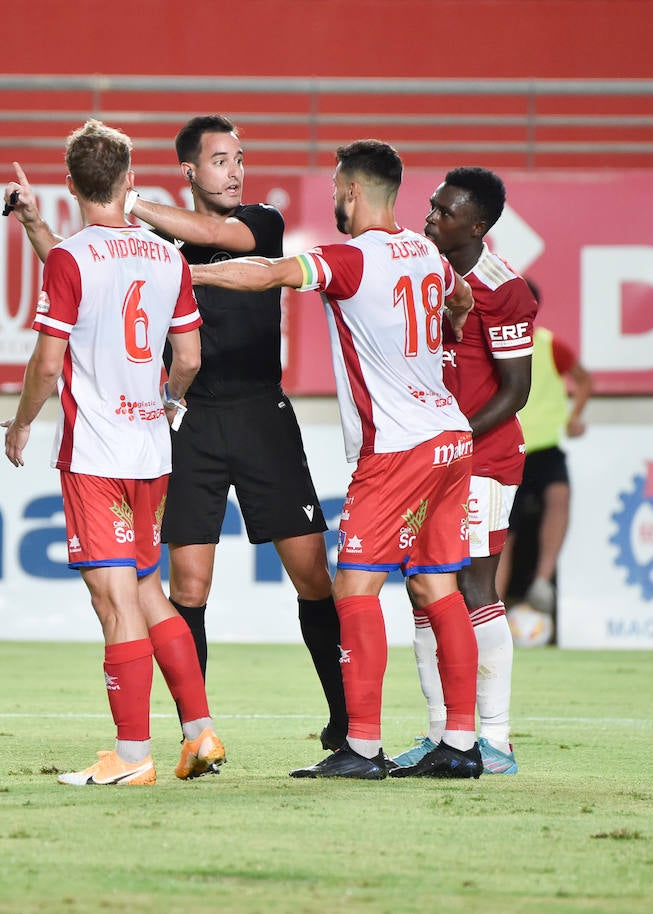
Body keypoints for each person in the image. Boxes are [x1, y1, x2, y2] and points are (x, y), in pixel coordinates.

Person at [3, 114, 346, 750]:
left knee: (311, 577)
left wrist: (125, 200)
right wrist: (36, 226)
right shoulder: (160, 251)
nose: (236, 169)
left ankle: (346, 724)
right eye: (221, 160)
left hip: (261, 414)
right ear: (189, 169)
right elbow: (85, 275)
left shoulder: (260, 222)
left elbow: (210, 234)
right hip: (188, 423)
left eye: (240, 157)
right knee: (186, 587)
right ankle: (196, 729)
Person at [191, 139, 482, 779]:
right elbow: (460, 302)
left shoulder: (350, 259)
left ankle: (365, 748)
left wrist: (191, 275)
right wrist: (450, 327)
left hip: (398, 447)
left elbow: (265, 273)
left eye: (335, 194)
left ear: (352, 193)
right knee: (438, 588)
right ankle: (462, 745)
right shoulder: (428, 254)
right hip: (451, 438)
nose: (334, 204)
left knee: (354, 588)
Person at [1, 119, 226, 787]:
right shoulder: (167, 256)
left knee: (114, 600)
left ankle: (130, 759)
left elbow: (47, 366)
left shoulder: (72, 259)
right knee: (148, 591)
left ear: (70, 184)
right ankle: (199, 734)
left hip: (96, 455)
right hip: (151, 450)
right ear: (131, 180)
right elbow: (187, 357)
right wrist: (171, 400)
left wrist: (19, 425)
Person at [392, 167, 538, 776]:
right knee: (424, 593)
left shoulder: (504, 289)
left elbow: (515, 391)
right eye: (431, 205)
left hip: (480, 461)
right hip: (430, 457)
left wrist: (452, 440)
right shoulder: (424, 270)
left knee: (475, 589)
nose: (430, 217)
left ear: (477, 226)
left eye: (444, 211)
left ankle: (496, 739)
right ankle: (442, 735)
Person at [496, 278, 595, 624]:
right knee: (503, 532)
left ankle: (542, 581)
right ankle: (492, 609)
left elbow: (584, 379)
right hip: (507, 448)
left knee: (559, 498)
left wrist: (574, 417)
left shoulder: (549, 345)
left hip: (545, 445)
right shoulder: (492, 344)